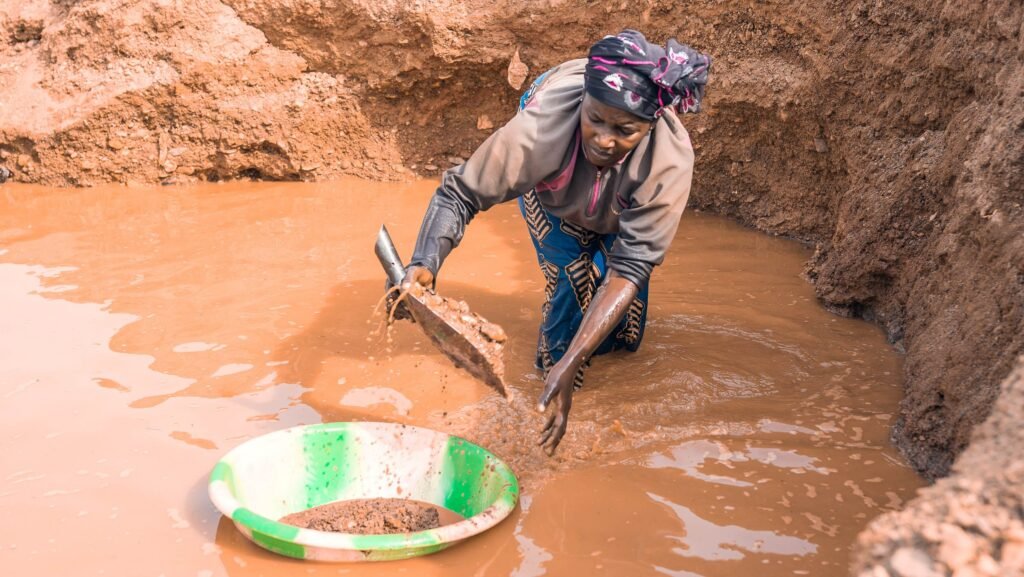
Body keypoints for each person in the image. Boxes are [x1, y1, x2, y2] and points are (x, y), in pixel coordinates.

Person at [397, 30, 711, 454]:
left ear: (649, 126)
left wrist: (578, 359)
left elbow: (632, 265)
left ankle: (595, 375)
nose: (603, 138)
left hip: (623, 202)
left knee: (624, 317)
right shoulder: (541, 127)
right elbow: (461, 193)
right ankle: (548, 383)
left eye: (624, 130)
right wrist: (424, 263)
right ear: (583, 101)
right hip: (554, 189)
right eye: (595, 119)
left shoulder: (668, 163)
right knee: (572, 274)